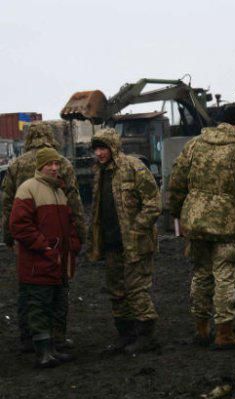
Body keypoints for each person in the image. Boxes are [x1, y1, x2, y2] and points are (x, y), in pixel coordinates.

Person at [168, 106, 235, 349]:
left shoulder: (195, 145)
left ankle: (201, 329)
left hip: (194, 221)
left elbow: (176, 182)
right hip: (226, 222)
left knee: (200, 274)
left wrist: (177, 213)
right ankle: (224, 333)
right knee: (224, 275)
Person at [1, 122, 86, 353]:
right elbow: (74, 201)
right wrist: (79, 236)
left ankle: (29, 338)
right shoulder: (63, 163)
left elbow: (7, 202)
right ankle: (56, 337)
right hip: (57, 235)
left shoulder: (17, 164)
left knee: (28, 288)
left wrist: (9, 237)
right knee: (59, 286)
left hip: (26, 239)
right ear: (51, 136)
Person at [87, 128, 161, 354]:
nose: (99, 153)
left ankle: (146, 336)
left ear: (113, 147)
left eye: (103, 148)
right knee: (116, 292)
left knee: (137, 289)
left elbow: (154, 203)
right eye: (97, 149)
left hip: (136, 243)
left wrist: (138, 228)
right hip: (111, 243)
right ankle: (125, 334)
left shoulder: (133, 167)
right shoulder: (99, 173)